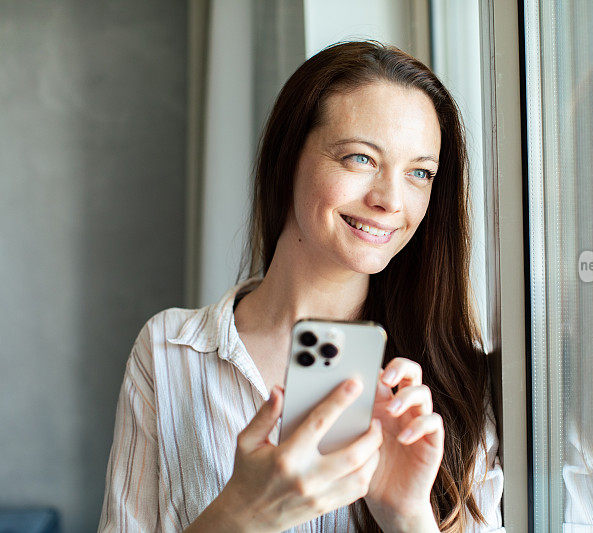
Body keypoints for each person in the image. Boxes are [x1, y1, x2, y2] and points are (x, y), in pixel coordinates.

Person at [97, 40, 504, 533]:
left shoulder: (460, 380)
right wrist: (241, 513)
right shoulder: (171, 352)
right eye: (360, 159)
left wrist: (408, 518)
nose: (390, 200)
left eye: (419, 173)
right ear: (289, 156)